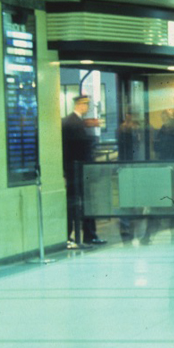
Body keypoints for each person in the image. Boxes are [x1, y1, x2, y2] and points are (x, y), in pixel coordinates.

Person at [62, 95, 104, 247]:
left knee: (74, 203)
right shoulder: (74, 123)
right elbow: (80, 149)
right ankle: (89, 235)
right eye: (86, 105)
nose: (87, 108)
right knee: (86, 202)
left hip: (73, 170)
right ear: (81, 105)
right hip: (79, 170)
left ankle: (71, 234)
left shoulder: (70, 121)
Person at [141, 109, 174, 245]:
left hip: (164, 169)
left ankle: (148, 235)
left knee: (159, 203)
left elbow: (159, 149)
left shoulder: (164, 132)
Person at [116, 110, 144, 243]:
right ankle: (128, 223)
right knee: (128, 196)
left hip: (129, 166)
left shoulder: (127, 129)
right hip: (129, 166)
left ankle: (128, 223)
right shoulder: (126, 130)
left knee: (129, 196)